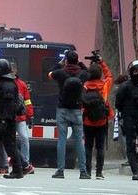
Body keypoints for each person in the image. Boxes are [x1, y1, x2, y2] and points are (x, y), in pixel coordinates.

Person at [48, 50, 90, 179]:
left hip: (62, 109)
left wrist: (59, 64)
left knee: (62, 140)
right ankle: (83, 171)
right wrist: (81, 64)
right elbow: (88, 73)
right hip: (77, 110)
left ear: (66, 60)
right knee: (79, 140)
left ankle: (60, 170)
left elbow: (50, 74)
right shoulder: (82, 74)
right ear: (77, 60)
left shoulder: (61, 73)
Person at [82, 58, 113, 179]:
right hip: (102, 120)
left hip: (87, 120)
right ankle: (99, 172)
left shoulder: (85, 86)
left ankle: (87, 171)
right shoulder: (105, 85)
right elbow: (109, 75)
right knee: (100, 147)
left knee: (88, 146)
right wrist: (102, 62)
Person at [12, 62, 35, 175]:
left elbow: (27, 101)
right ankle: (7, 164)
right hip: (10, 118)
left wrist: (30, 116)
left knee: (25, 139)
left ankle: (25, 162)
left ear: (16, 71)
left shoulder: (22, 84)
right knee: (9, 142)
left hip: (20, 118)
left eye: (13, 70)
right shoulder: (6, 83)